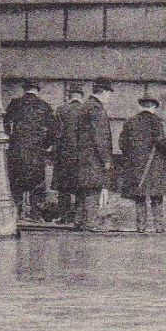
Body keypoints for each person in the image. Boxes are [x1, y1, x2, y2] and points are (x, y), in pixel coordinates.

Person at [118, 95, 166, 232]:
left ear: (140, 106)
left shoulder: (130, 121)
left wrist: (132, 156)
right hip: (153, 165)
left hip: (135, 165)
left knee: (140, 196)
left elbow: (122, 143)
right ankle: (158, 226)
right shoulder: (156, 121)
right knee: (156, 196)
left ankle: (141, 226)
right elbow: (161, 142)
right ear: (154, 107)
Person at [4, 80, 54, 216]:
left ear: (24, 89)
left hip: (17, 148)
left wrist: (9, 138)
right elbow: (53, 130)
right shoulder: (44, 106)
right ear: (37, 90)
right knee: (37, 182)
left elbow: (5, 123)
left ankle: (16, 212)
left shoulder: (15, 104)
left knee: (16, 182)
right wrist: (45, 144)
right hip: (36, 150)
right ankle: (35, 213)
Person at [71, 79, 115, 230]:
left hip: (82, 156)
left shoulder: (84, 107)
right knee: (93, 189)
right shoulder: (97, 109)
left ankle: (79, 222)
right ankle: (90, 223)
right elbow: (100, 137)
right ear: (103, 92)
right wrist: (106, 160)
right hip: (94, 158)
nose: (109, 97)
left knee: (83, 190)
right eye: (109, 93)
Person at [49, 86, 85, 223]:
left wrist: (54, 152)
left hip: (63, 155)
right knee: (80, 187)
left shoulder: (61, 110)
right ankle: (78, 217)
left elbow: (55, 134)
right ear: (81, 96)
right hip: (81, 155)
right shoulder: (85, 110)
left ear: (69, 96)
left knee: (63, 188)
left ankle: (64, 216)